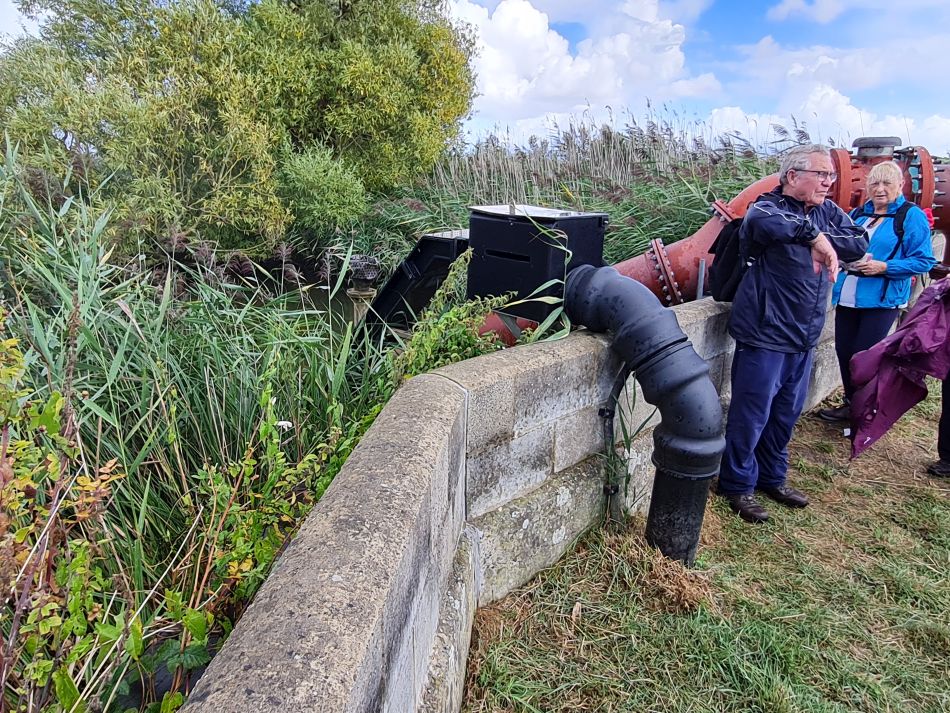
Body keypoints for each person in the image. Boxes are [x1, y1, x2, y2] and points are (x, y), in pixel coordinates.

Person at [717, 144, 869, 523]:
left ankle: (773, 478)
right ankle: (736, 485)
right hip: (765, 334)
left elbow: (859, 242)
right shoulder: (767, 207)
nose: (829, 182)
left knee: (785, 414)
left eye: (831, 176)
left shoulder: (828, 212)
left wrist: (819, 235)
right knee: (750, 415)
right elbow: (764, 225)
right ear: (792, 176)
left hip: (804, 337)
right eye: (821, 174)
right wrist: (814, 238)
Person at [818, 161, 935, 422]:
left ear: (900, 186)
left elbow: (924, 260)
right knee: (845, 352)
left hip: (881, 300)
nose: (879, 189)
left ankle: (867, 411)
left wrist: (885, 267)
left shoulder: (910, 216)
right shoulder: (859, 215)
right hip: (847, 296)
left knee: (865, 358)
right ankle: (852, 404)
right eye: (874, 183)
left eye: (886, 183)